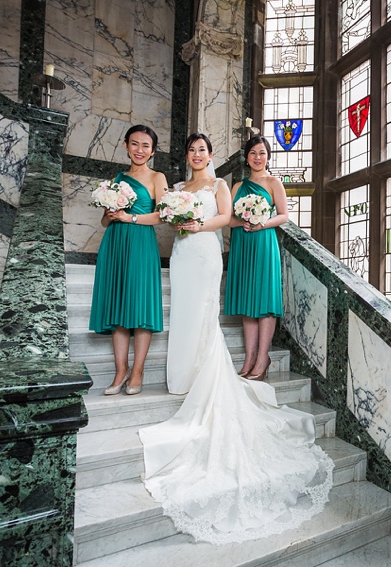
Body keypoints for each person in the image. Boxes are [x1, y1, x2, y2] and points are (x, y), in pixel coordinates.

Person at [138, 133, 333, 545]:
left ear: (210, 155)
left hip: (237, 244)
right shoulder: (199, 187)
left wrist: (246, 221)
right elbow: (203, 218)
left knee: (245, 306)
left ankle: (247, 365)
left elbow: (256, 217)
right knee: (229, 307)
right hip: (205, 249)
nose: (196, 155)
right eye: (191, 150)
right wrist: (179, 219)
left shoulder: (235, 184)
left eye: (202, 150)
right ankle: (223, 365)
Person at [89, 124, 168, 396]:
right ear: (125, 146)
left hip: (141, 243)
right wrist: (110, 215)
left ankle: (138, 371)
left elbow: (163, 216)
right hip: (115, 243)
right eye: (135, 144)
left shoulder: (158, 177)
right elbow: (104, 220)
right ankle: (120, 371)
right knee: (119, 307)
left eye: (146, 145)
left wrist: (131, 217)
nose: (140, 150)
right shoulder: (118, 177)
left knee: (140, 308)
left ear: (153, 150)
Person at [224, 136, 289, 380]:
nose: (257, 157)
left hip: (263, 242)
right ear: (247, 157)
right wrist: (242, 221)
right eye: (253, 153)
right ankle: (250, 357)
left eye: (262, 153)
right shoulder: (238, 187)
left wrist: (262, 224)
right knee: (247, 304)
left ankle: (263, 357)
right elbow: (227, 219)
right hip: (243, 242)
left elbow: (283, 215)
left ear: (268, 156)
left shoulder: (274, 182)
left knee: (263, 300)